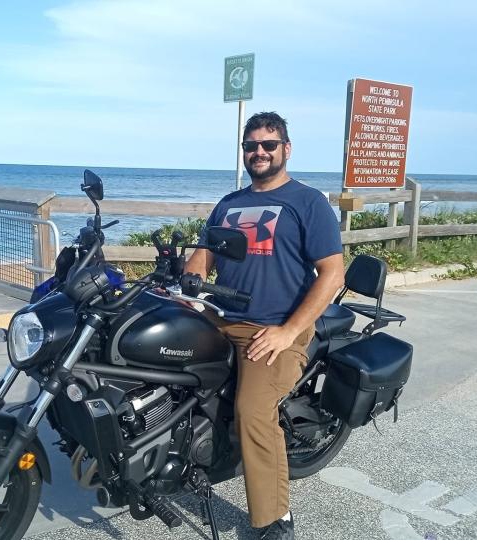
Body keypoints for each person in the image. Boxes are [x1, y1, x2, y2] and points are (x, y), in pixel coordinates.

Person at [184, 112, 345, 539]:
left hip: (274, 328)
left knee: (253, 411)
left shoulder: (308, 202)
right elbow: (204, 256)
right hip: (223, 318)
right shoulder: (230, 204)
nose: (259, 151)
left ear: (285, 149)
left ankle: (276, 519)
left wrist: (289, 332)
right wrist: (186, 284)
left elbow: (332, 274)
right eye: (251, 145)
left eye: (268, 145)